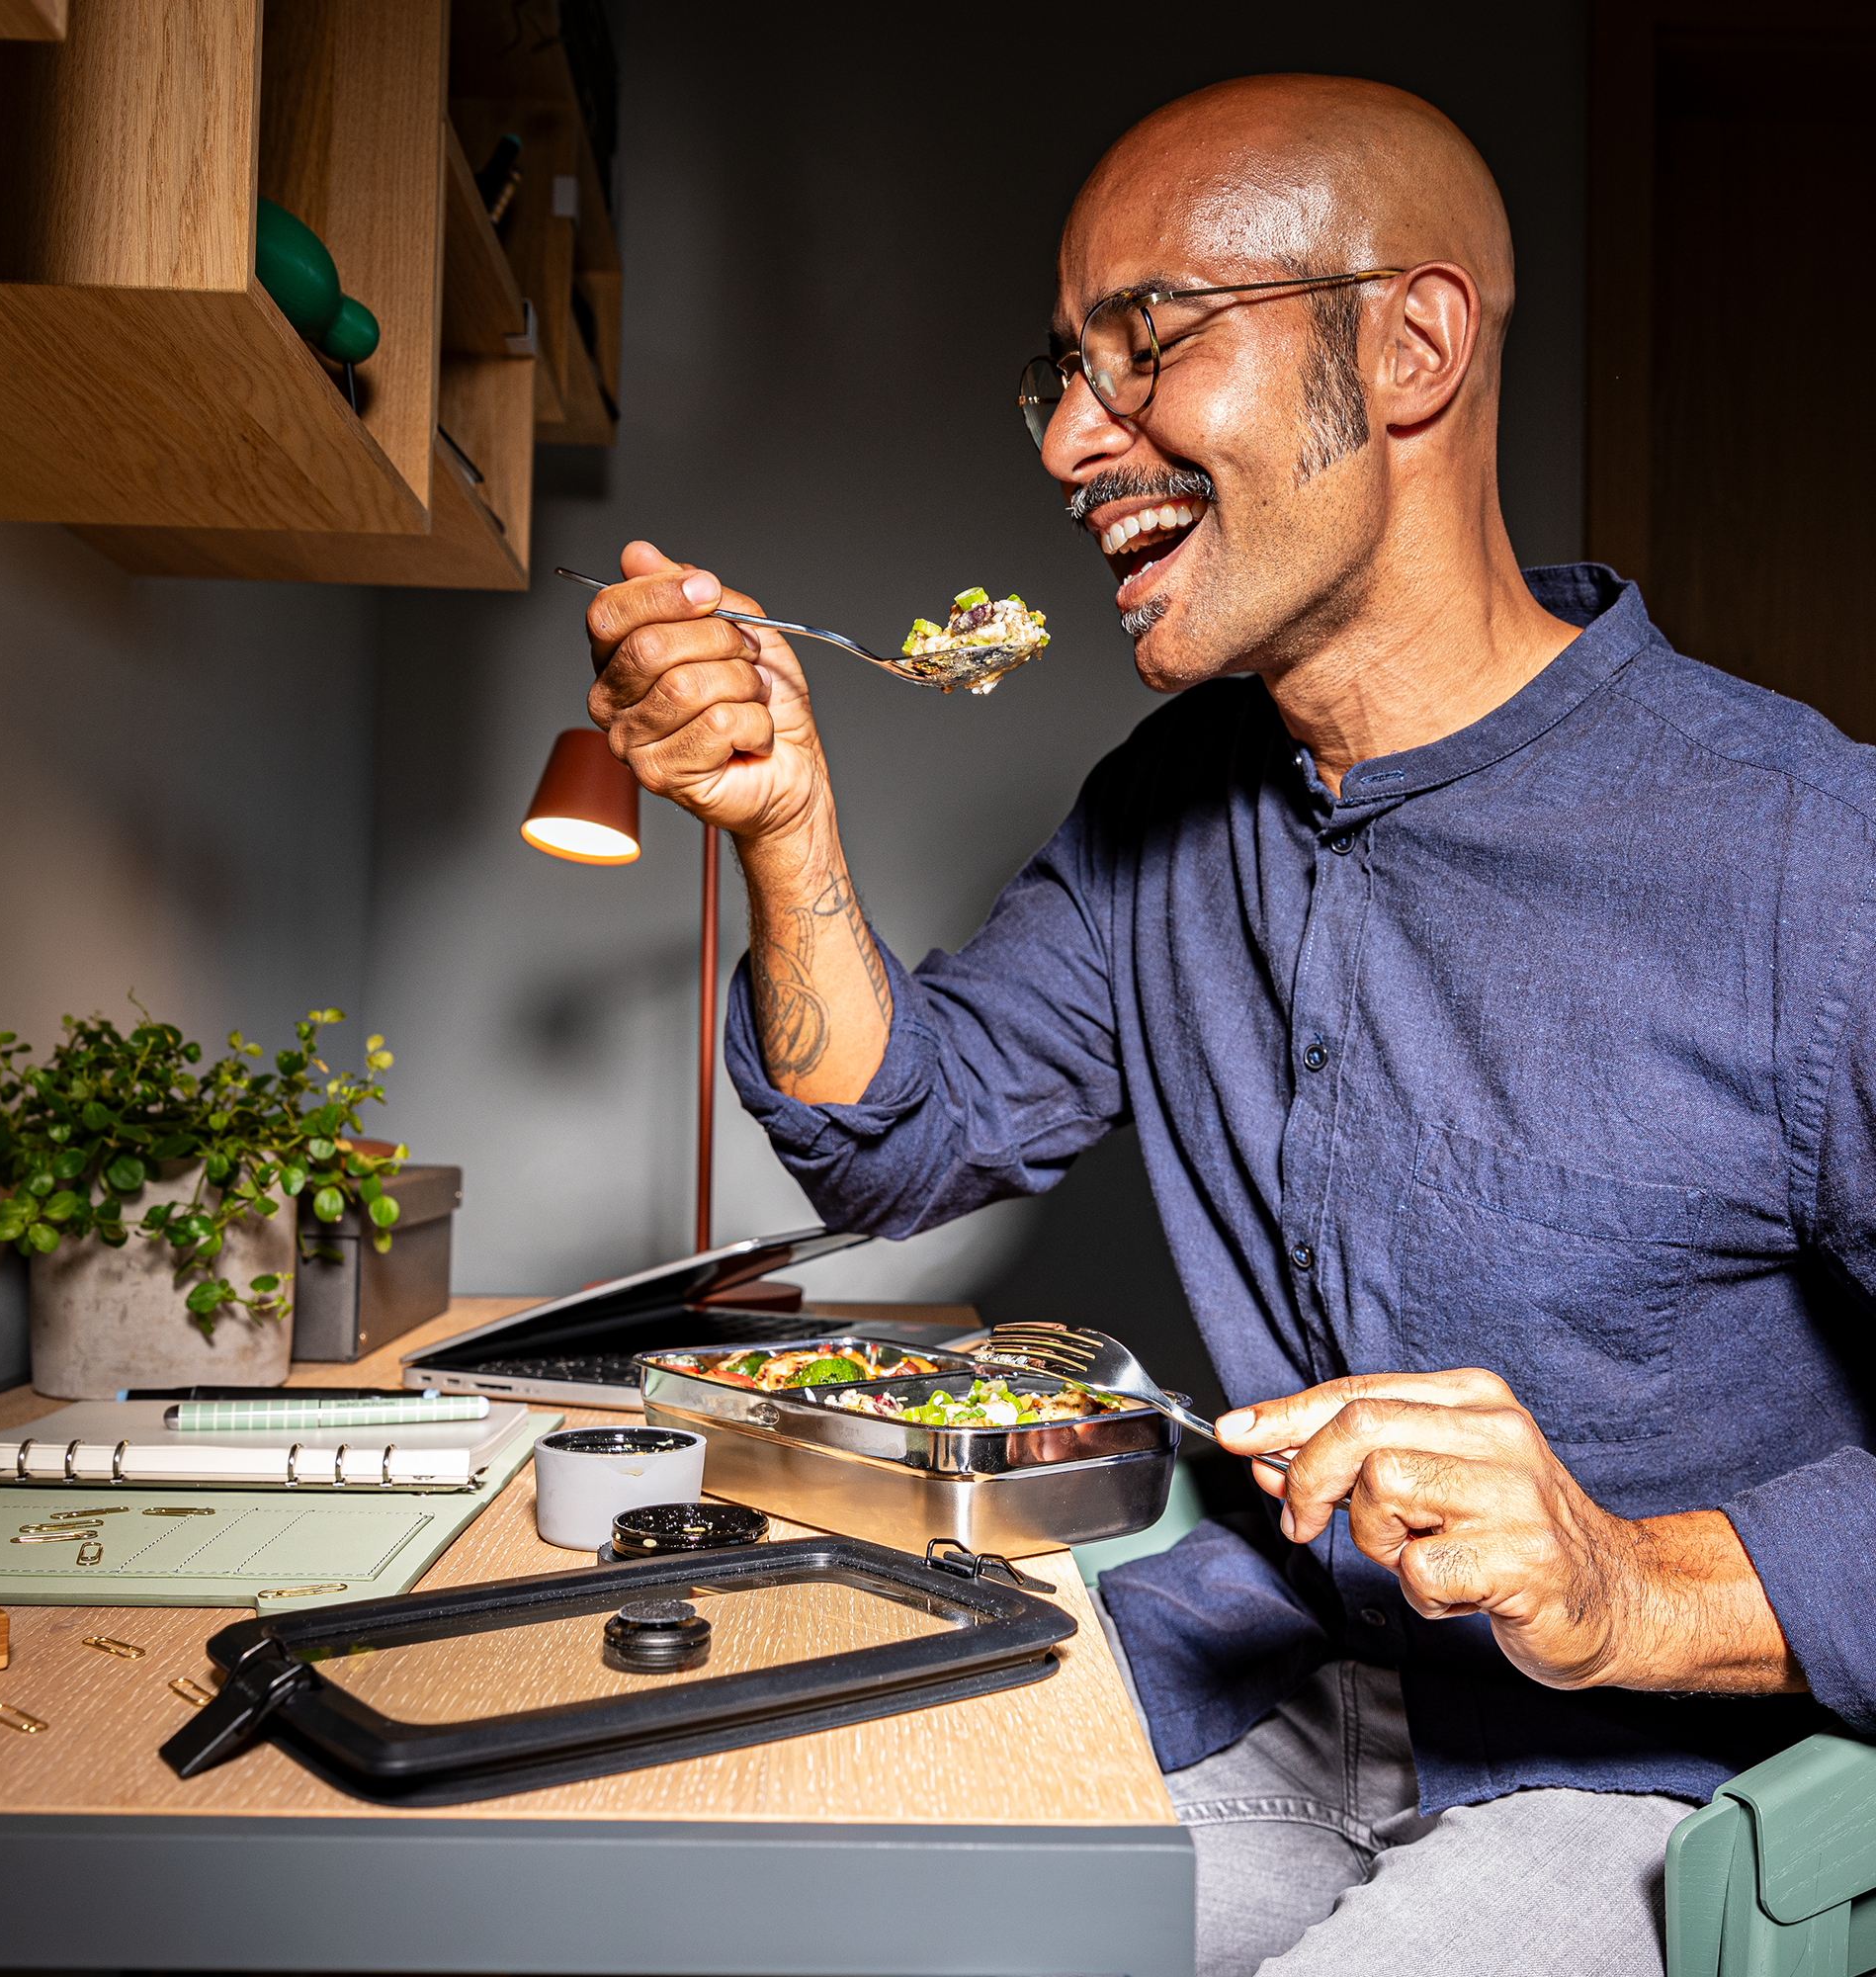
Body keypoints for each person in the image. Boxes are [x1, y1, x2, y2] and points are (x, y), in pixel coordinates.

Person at [581, 72, 1875, 1976]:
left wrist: (1637, 1582)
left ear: (1411, 347)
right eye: (1062, 375)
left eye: (1152, 341)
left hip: (1644, 1774)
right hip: (1271, 1688)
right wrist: (787, 831)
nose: (1070, 442)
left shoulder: (1814, 856)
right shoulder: (1162, 807)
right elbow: (897, 1142)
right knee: (780, 1909)